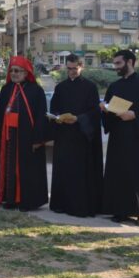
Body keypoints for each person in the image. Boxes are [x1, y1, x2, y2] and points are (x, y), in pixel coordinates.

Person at [101, 49, 139, 226]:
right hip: (119, 138)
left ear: (130, 62)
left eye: (119, 64)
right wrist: (105, 110)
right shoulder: (114, 87)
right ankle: (120, 210)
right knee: (119, 174)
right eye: (115, 64)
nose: (116, 68)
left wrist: (134, 115)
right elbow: (109, 113)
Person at [48, 54, 103, 217]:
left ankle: (79, 207)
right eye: (69, 69)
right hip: (64, 136)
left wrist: (78, 119)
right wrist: (57, 117)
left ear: (81, 67)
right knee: (63, 171)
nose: (71, 72)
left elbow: (94, 112)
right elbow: (54, 108)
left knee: (79, 173)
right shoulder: (60, 87)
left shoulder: (90, 87)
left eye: (75, 69)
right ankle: (61, 204)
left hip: (81, 137)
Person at [0, 56, 48, 210]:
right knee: (9, 168)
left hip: (27, 137)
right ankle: (9, 199)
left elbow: (41, 116)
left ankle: (26, 200)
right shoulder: (6, 89)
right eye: (11, 71)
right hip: (8, 136)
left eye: (17, 71)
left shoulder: (36, 91)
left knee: (26, 169)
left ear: (26, 73)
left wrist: (38, 139)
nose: (14, 74)